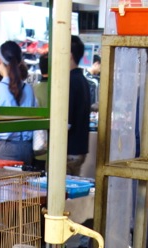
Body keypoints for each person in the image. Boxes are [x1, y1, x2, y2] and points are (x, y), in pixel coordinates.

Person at [0, 41, 37, 168]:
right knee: (24, 181)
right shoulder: (29, 89)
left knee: (5, 181)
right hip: (26, 148)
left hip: (4, 149)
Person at [67, 36, 92, 177]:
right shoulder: (83, 80)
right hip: (80, 148)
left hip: (68, 150)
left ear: (70, 55)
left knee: (60, 188)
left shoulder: (70, 81)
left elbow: (67, 122)